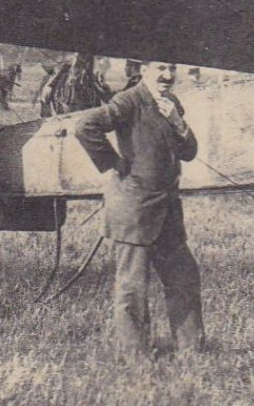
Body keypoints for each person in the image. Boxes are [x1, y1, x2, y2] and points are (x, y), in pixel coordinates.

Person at [74, 61, 204, 359]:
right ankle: (134, 356)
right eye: (160, 67)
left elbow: (189, 152)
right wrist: (115, 165)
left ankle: (191, 351)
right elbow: (85, 127)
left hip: (166, 209)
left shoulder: (171, 102)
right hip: (135, 208)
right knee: (133, 288)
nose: (168, 75)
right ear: (144, 69)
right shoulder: (129, 100)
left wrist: (178, 123)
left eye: (172, 68)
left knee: (185, 277)